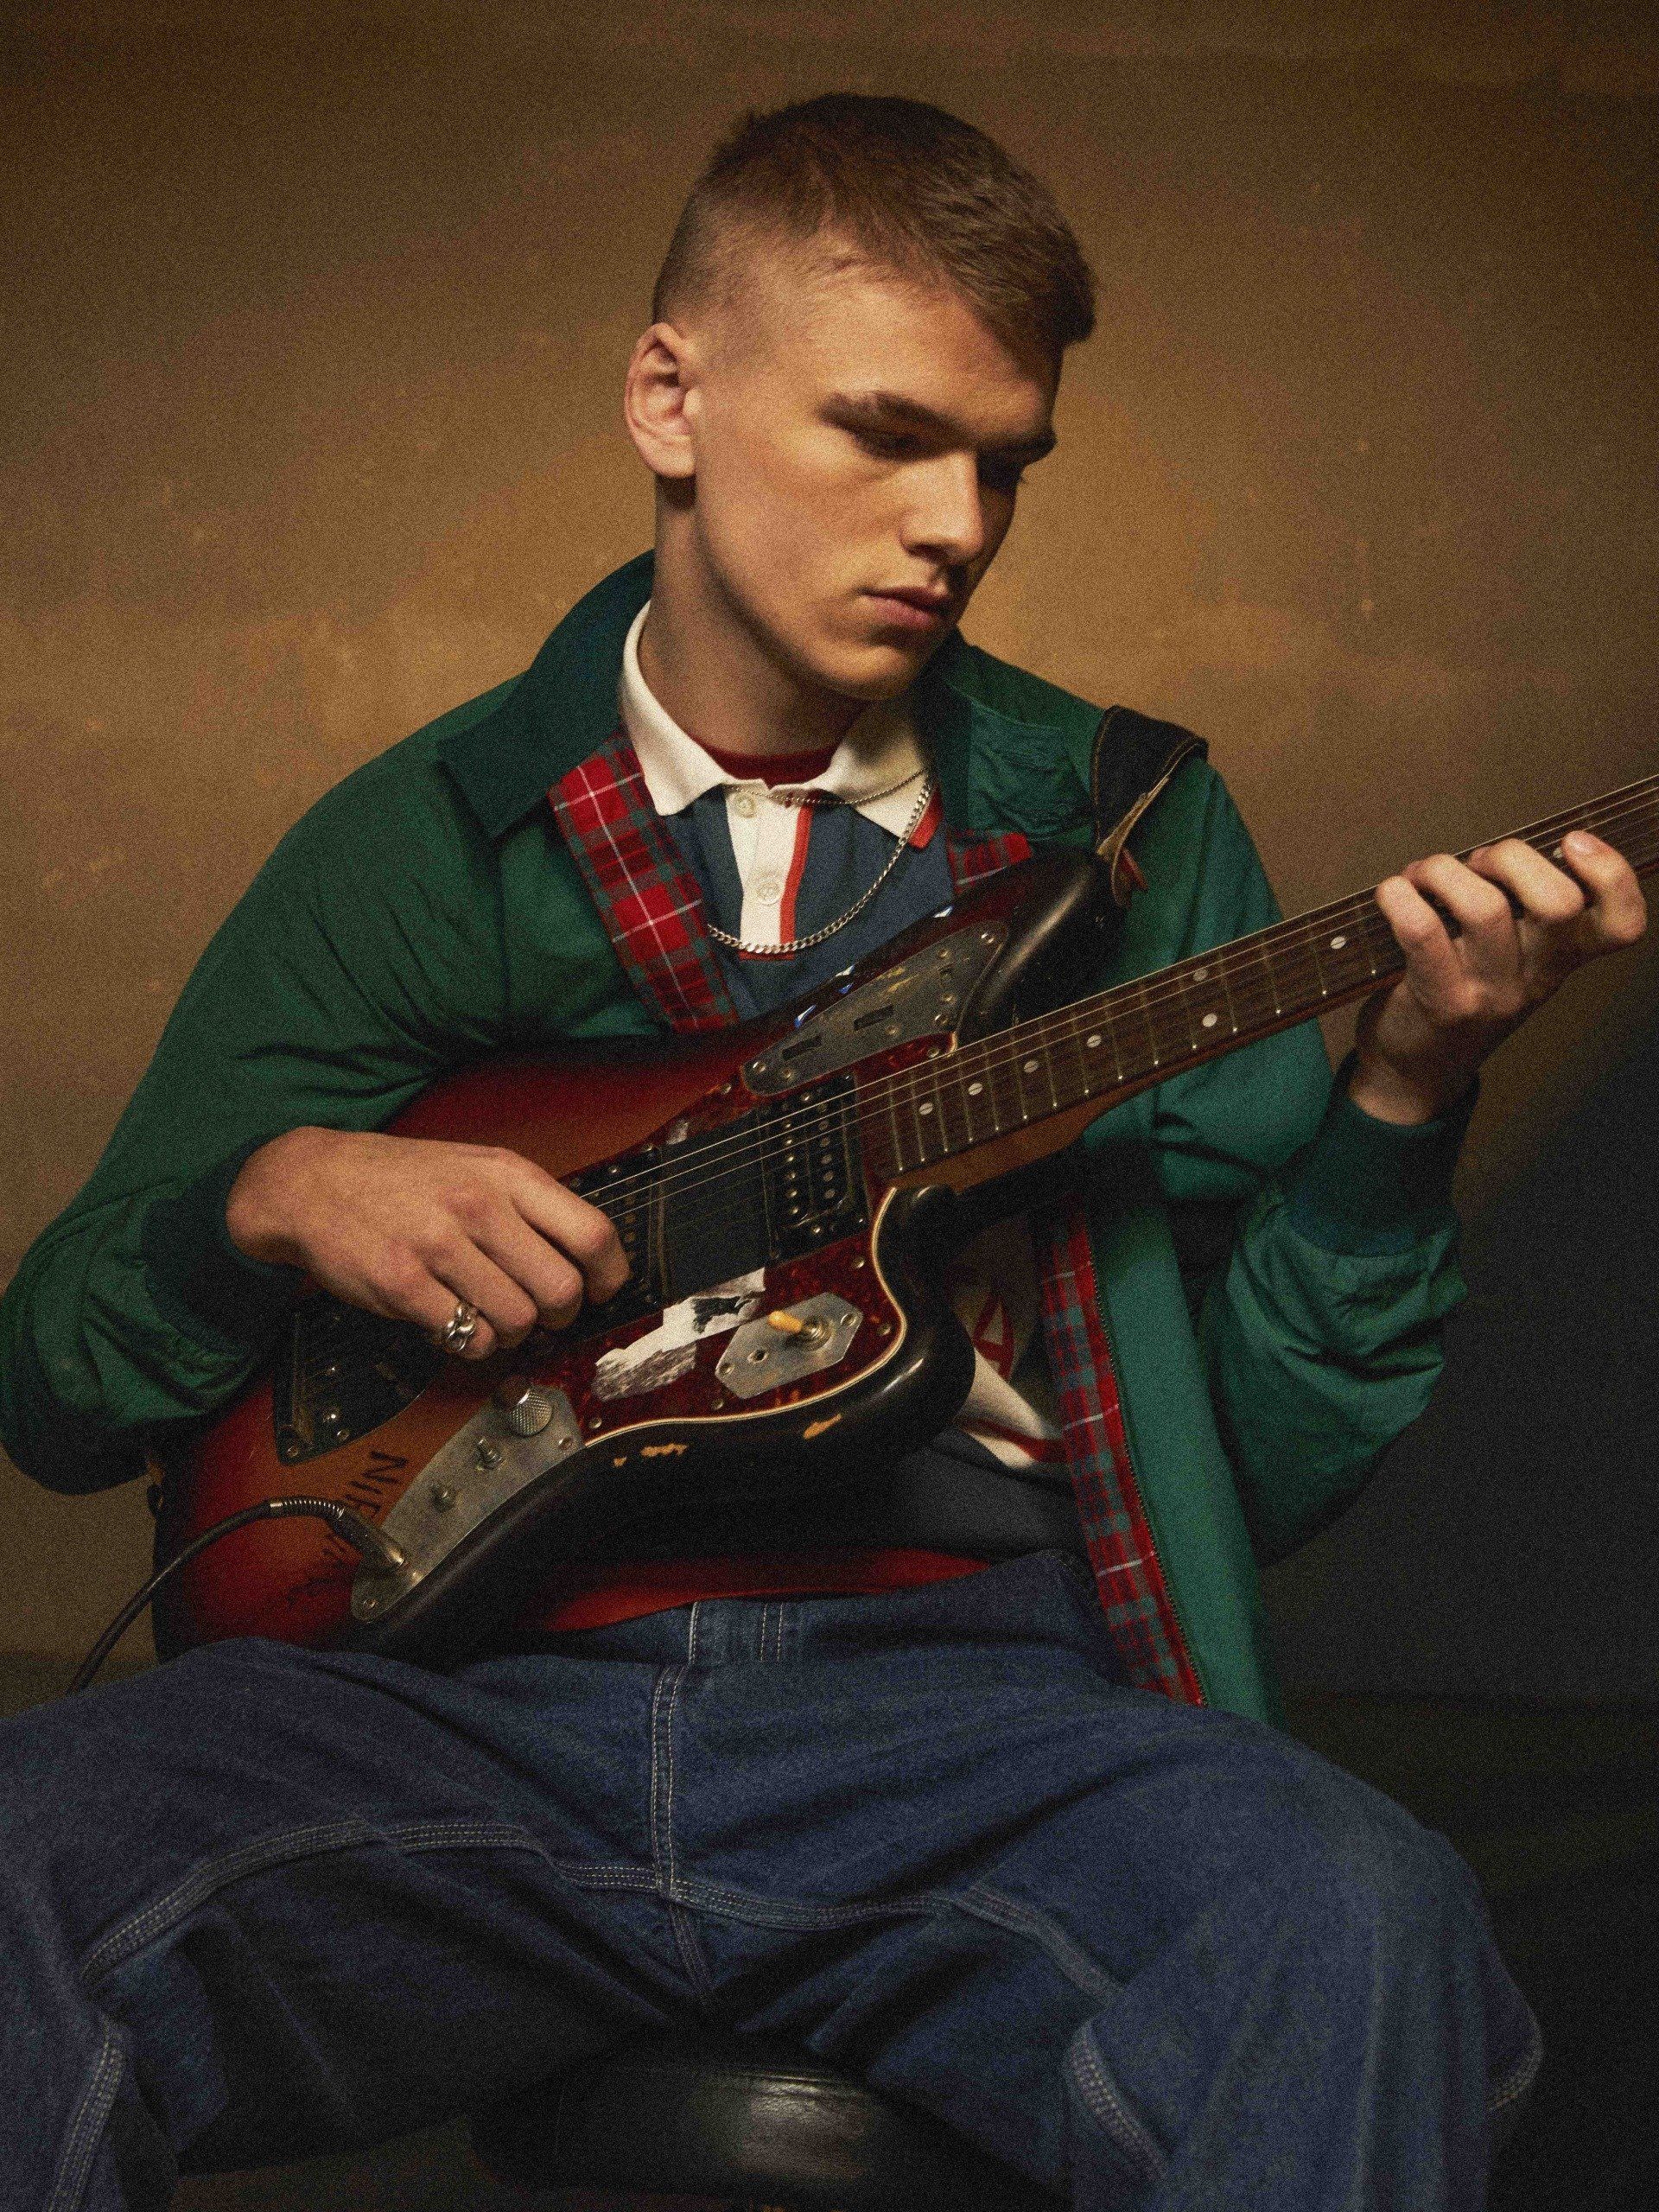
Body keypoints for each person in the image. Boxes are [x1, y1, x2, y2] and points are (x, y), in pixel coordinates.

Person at [0, 93, 1646, 2212]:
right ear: (668, 397)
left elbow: (1249, 1466)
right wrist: (273, 1192)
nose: (954, 521)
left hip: (971, 1726)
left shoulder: (1128, 836)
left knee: (1356, 1912)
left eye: (1005, 463)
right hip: (470, 1718)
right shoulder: (421, 844)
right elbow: (56, 1384)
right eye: (885, 434)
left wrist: (1406, 1092)